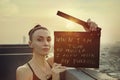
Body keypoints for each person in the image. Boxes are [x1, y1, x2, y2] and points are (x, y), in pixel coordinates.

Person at [16, 19, 100, 80]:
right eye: (39, 39)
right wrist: (55, 77)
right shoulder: (24, 71)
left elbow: (81, 53)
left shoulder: (52, 62)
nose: (46, 43)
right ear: (30, 44)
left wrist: (90, 33)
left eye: (48, 39)